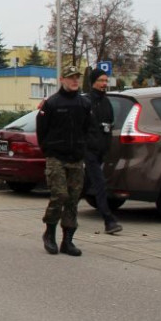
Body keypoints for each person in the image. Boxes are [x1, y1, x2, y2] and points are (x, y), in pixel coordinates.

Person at [37, 66, 94, 256]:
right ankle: (50, 233)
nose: (74, 81)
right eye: (71, 78)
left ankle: (67, 240)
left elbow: (87, 129)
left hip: (76, 158)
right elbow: (41, 130)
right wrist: (49, 150)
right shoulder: (52, 103)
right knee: (59, 195)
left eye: (77, 78)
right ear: (62, 79)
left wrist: (82, 149)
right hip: (56, 157)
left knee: (73, 199)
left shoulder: (84, 104)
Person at [84, 68, 122, 234]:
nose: (104, 84)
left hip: (100, 150)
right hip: (88, 150)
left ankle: (65, 209)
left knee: (86, 184)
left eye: (106, 81)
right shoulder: (86, 102)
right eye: (101, 81)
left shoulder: (106, 102)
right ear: (93, 82)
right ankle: (109, 220)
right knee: (99, 183)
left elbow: (109, 125)